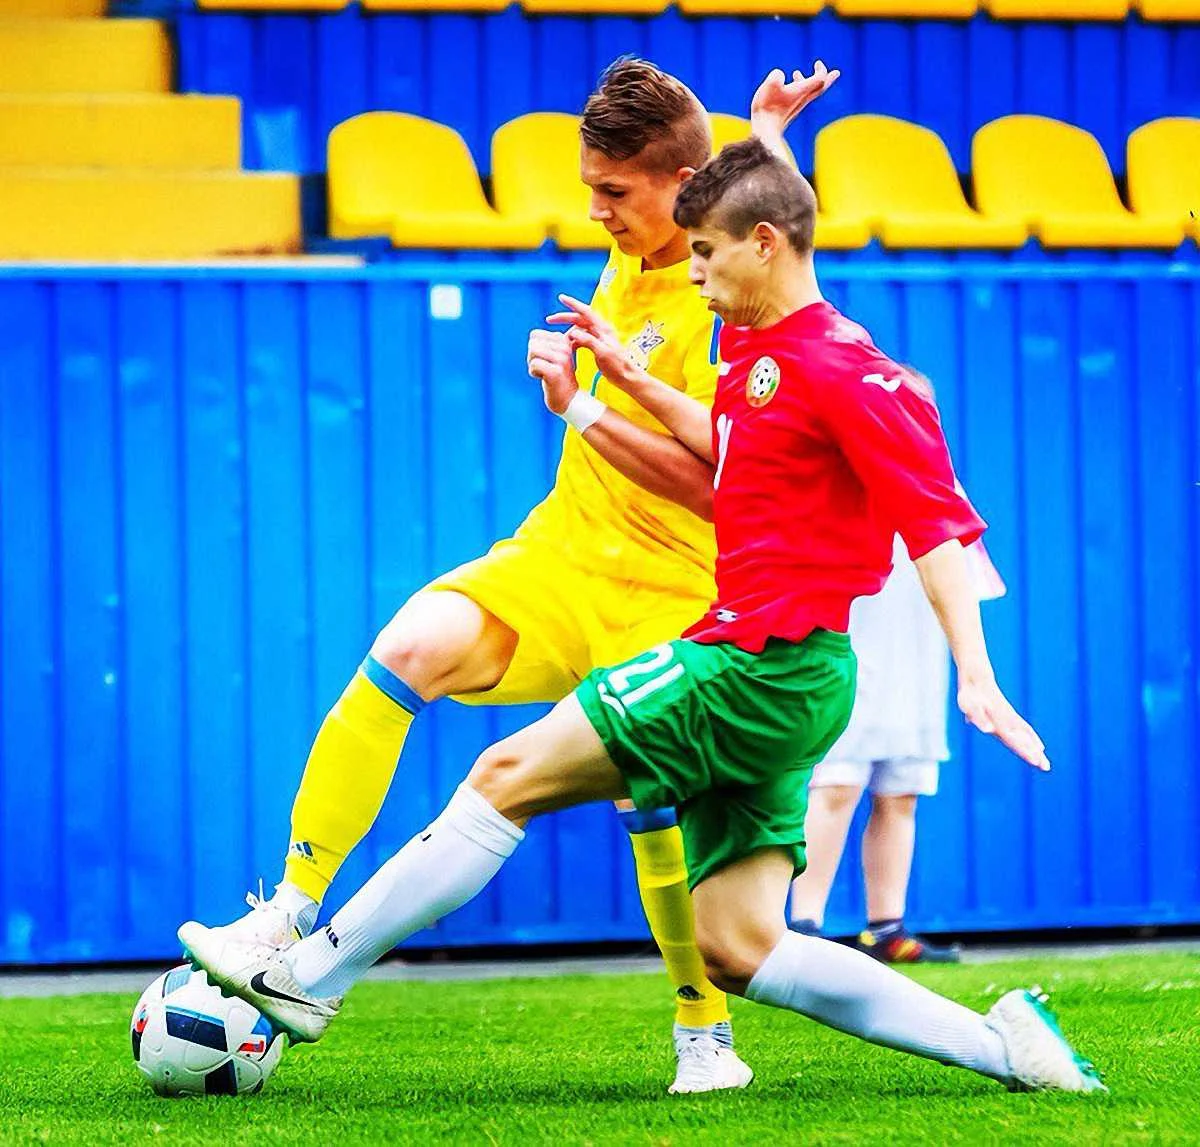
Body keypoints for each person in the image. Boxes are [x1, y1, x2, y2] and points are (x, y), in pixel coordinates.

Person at [181, 137, 1104, 1096]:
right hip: (790, 677)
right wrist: (621, 375)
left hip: (754, 662)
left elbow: (939, 525)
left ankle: (305, 976)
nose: (690, 271)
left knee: (503, 776)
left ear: (761, 245)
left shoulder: (853, 373)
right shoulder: (762, 344)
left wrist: (976, 673)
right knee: (739, 944)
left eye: (705, 252)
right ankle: (1006, 1047)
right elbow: (734, 438)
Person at [177, 58, 839, 1094]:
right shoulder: (648, 235)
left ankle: (704, 1034)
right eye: (591, 189)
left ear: (680, 188)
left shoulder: (727, 302)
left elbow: (726, 491)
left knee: (652, 804)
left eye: (613, 191)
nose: (596, 211)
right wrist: (764, 134)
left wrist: (584, 406)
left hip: (677, 589)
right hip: (561, 555)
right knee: (408, 648)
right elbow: (744, 186)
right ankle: (286, 913)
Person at [790, 535, 1003, 962]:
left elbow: (965, 580)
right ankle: (803, 928)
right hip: (848, 647)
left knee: (902, 791)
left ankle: (886, 930)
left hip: (917, 656)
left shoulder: (941, 505)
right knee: (836, 784)